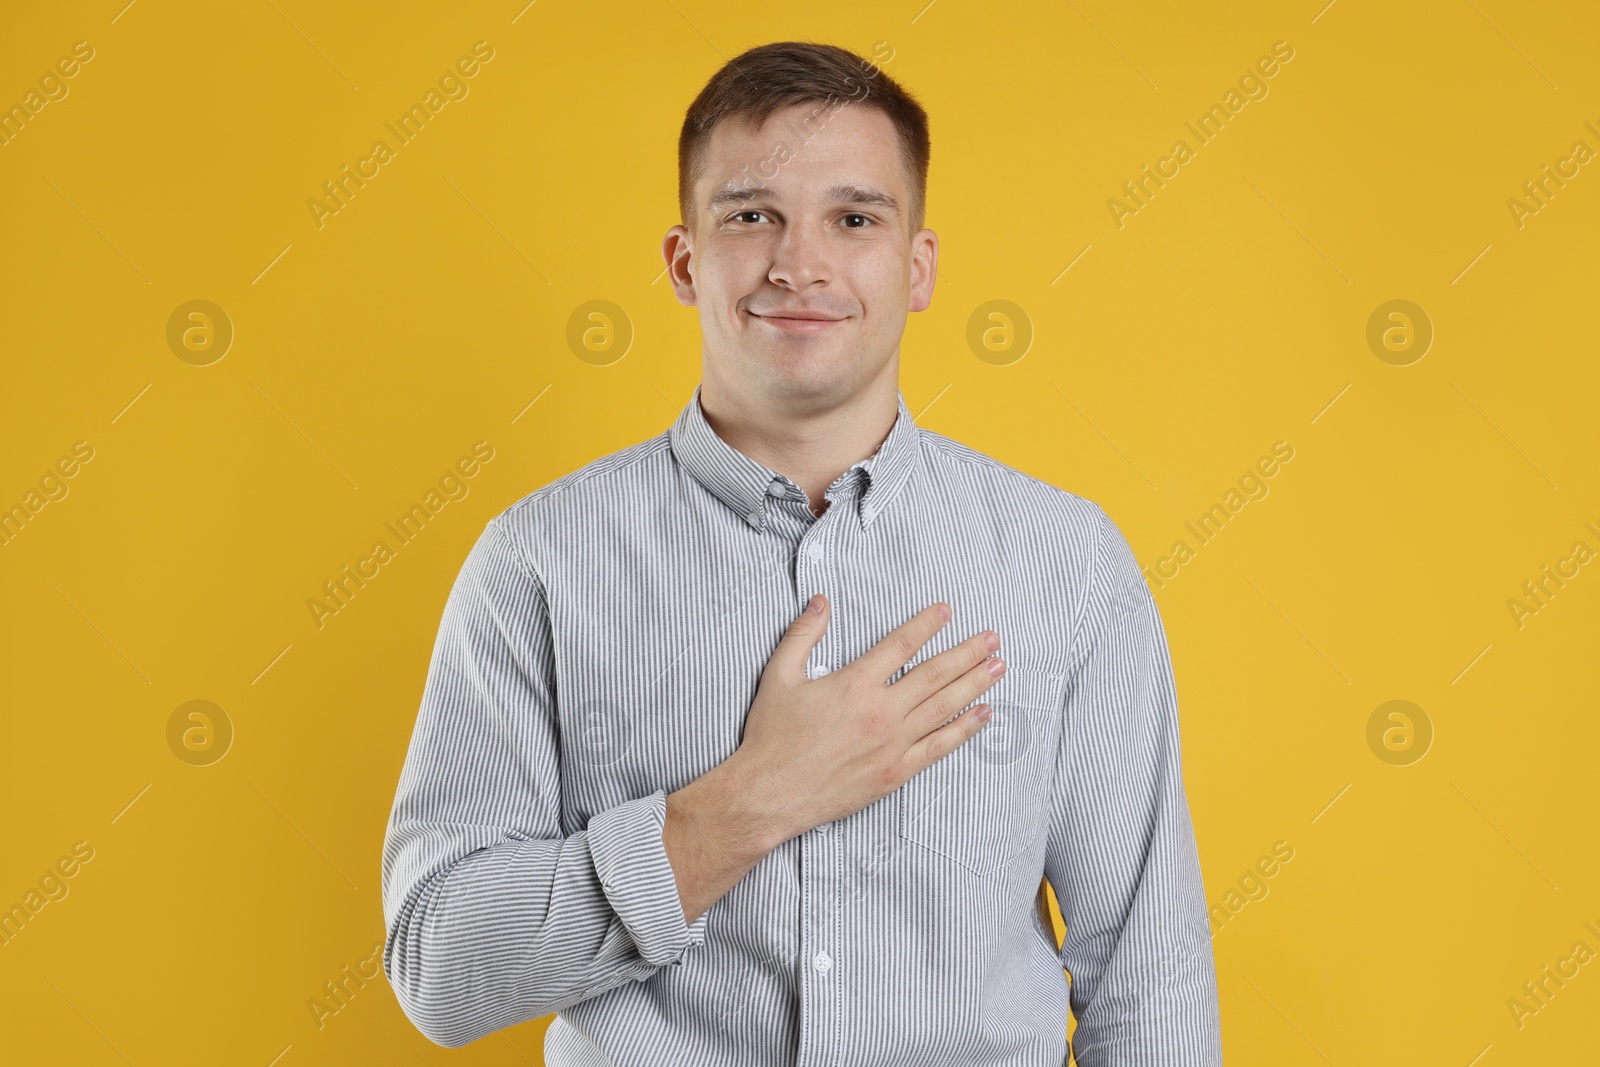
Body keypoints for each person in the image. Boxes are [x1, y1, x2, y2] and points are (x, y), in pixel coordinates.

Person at [381, 39, 1221, 1066]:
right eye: (750, 215)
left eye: (853, 218)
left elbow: (1149, 982)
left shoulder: (1063, 562)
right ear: (686, 262)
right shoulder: (539, 563)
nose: (799, 262)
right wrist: (750, 798)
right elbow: (439, 966)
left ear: (916, 269)